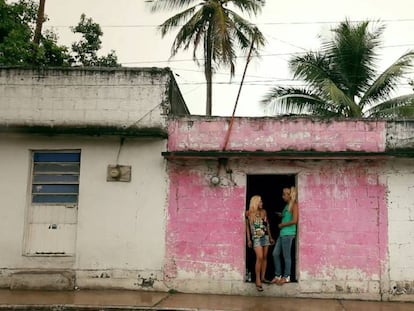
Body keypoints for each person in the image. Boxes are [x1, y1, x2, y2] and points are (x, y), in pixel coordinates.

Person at [246, 195, 274, 292]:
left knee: (265, 257)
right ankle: (257, 279)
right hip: (256, 237)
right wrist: (249, 239)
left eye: (261, 202)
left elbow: (267, 225)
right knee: (260, 257)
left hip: (265, 236)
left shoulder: (264, 212)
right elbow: (247, 227)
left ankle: (263, 277)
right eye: (260, 202)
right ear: (255, 202)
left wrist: (270, 237)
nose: (262, 203)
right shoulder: (249, 213)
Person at [271, 186, 298, 285]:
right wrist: (281, 216)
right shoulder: (287, 206)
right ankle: (278, 275)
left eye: (284, 194)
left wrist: (282, 224)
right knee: (275, 254)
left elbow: (295, 220)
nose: (282, 196)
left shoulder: (294, 205)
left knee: (286, 256)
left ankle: (286, 277)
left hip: (288, 233)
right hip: (282, 233)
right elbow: (287, 216)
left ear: (289, 195)